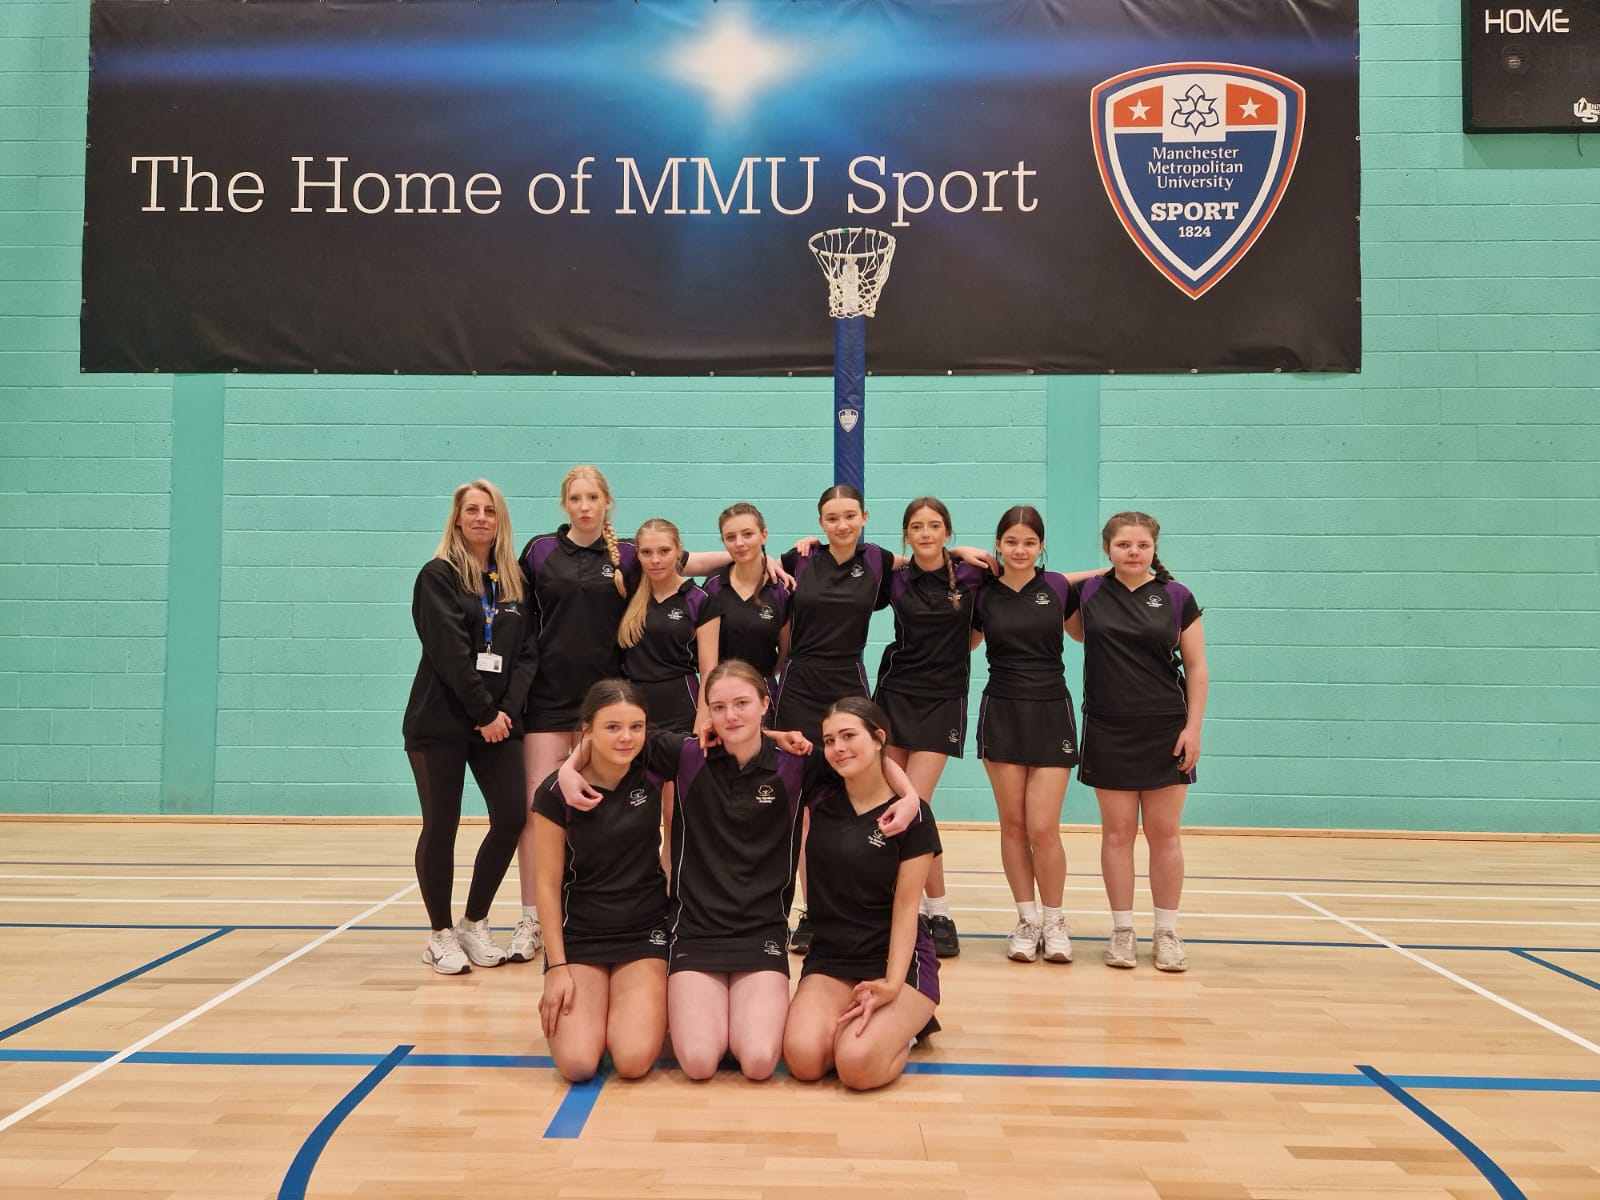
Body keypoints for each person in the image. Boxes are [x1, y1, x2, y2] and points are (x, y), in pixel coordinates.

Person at [557, 659, 922, 1082]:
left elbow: (864, 756)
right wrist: (568, 767)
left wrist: (910, 794)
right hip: (696, 931)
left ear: (766, 703)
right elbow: (614, 735)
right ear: (707, 712)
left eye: (743, 703)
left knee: (760, 1062)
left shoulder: (796, 763)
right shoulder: (687, 754)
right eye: (719, 706)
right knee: (696, 1063)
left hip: (761, 933)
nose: (731, 715)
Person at [511, 466, 766, 963]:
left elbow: (694, 560)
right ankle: (533, 919)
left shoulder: (626, 554)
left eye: (592, 497)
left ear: (607, 501)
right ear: (565, 503)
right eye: (575, 498)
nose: (584, 505)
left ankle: (664, 909)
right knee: (539, 809)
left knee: (654, 816)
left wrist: (760, 558)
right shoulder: (541, 550)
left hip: (617, 705)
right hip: (552, 697)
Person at [402, 480, 537, 974]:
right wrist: (483, 712)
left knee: (511, 815)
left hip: (498, 722)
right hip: (440, 721)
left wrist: (506, 713)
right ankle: (439, 935)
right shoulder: (437, 576)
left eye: (489, 511)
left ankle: (474, 922)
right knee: (443, 824)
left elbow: (527, 654)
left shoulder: (516, 582)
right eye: (471, 510)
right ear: (457, 519)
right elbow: (449, 652)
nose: (481, 518)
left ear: (499, 520)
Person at [1067, 512, 1208, 973]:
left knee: (1165, 835)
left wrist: (1193, 728)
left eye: (1142, 545)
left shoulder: (1177, 596)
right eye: (1123, 544)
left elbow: (1198, 668)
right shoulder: (1087, 593)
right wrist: (1100, 573)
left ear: (1154, 548)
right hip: (1108, 728)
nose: (1133, 552)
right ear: (1106, 547)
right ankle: (1122, 932)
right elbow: (1043, 580)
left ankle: (1166, 932)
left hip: (1166, 728)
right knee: (1117, 834)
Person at [783, 698, 940, 1091]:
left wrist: (889, 984)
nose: (838, 748)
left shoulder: (910, 816)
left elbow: (907, 908)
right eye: (830, 740)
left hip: (894, 963)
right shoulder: (820, 790)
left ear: (878, 738)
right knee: (803, 1060)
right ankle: (864, 1027)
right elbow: (748, 737)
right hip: (832, 958)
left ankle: (910, 1026)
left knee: (856, 1066)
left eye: (849, 736)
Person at [531, 680, 669, 1081]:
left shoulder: (655, 767)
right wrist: (557, 967)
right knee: (577, 1064)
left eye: (636, 727)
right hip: (581, 936)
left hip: (644, 931)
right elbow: (546, 885)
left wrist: (779, 733)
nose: (626, 738)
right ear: (587, 729)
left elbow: (730, 735)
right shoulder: (555, 794)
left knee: (632, 1060)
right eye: (612, 727)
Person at [872, 497, 985, 958]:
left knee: (916, 806)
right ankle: (913, 910)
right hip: (895, 695)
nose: (925, 533)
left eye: (934, 526)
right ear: (906, 534)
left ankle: (939, 911)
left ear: (947, 531)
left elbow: (1036, 578)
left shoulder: (974, 575)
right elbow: (847, 566)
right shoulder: (894, 579)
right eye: (916, 527)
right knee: (898, 805)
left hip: (943, 700)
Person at [972, 505, 1082, 966]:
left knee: (1043, 827)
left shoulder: (1058, 588)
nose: (1019, 550)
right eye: (1011, 541)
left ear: (1041, 547)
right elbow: (963, 643)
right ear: (998, 544)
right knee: (1013, 826)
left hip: (1051, 712)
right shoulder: (980, 593)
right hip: (1001, 711)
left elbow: (1087, 635)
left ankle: (1055, 921)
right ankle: (1026, 920)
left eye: (1029, 542)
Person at [618, 518, 714, 735]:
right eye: (646, 552)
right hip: (633, 709)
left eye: (664, 551)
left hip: (682, 708)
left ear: (679, 551)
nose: (655, 560)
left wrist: (702, 721)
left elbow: (709, 669)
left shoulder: (699, 599)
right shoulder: (628, 595)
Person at [697, 502, 789, 727]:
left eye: (747, 534)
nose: (739, 543)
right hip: (721, 694)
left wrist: (760, 678)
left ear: (764, 535)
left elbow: (785, 654)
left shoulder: (782, 590)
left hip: (763, 693)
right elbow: (707, 663)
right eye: (730, 537)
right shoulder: (713, 587)